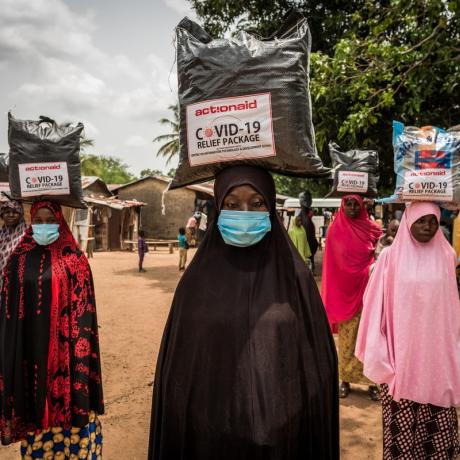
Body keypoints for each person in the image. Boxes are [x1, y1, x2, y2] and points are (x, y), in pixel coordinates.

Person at [148, 165, 339, 459]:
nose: (245, 213)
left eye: (257, 203)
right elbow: (178, 378)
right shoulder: (194, 285)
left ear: (271, 207)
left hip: (282, 440)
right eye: (232, 204)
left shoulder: (296, 280)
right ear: (218, 208)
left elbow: (318, 371)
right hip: (209, 440)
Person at [356, 202, 460, 459]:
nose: (428, 226)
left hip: (437, 364)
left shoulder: (447, 256)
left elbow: (451, 311)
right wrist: (381, 358)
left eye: (433, 221)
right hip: (400, 363)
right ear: (408, 220)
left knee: (437, 438)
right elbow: (375, 308)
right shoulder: (391, 257)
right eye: (421, 220)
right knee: (401, 439)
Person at [0, 201, 104, 457]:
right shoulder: (17, 261)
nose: (44, 225)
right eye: (39, 220)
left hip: (68, 361)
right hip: (32, 362)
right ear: (31, 222)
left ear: (60, 221)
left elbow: (85, 318)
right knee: (37, 428)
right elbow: (8, 317)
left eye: (50, 220)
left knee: (76, 439)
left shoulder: (75, 259)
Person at [321, 194, 382, 401]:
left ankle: (371, 382)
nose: (353, 207)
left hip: (368, 293)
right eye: (349, 203)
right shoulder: (334, 230)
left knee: (369, 339)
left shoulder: (372, 228)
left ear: (363, 205)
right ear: (342, 204)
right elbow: (332, 265)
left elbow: (378, 256)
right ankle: (345, 379)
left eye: (357, 204)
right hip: (344, 294)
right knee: (347, 341)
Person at [0, 200, 27, 287]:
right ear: (2, 215)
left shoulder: (27, 236)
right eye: (7, 212)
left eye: (15, 212)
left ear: (21, 214)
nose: (11, 215)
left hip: (18, 284)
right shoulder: (1, 235)